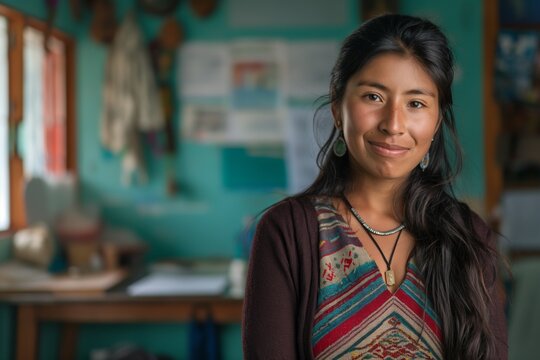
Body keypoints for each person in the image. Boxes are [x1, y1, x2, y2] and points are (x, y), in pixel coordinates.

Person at [242, 13, 508, 360]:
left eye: (415, 103)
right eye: (373, 97)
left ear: (437, 119)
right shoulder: (289, 234)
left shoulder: (468, 237)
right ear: (338, 107)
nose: (394, 124)